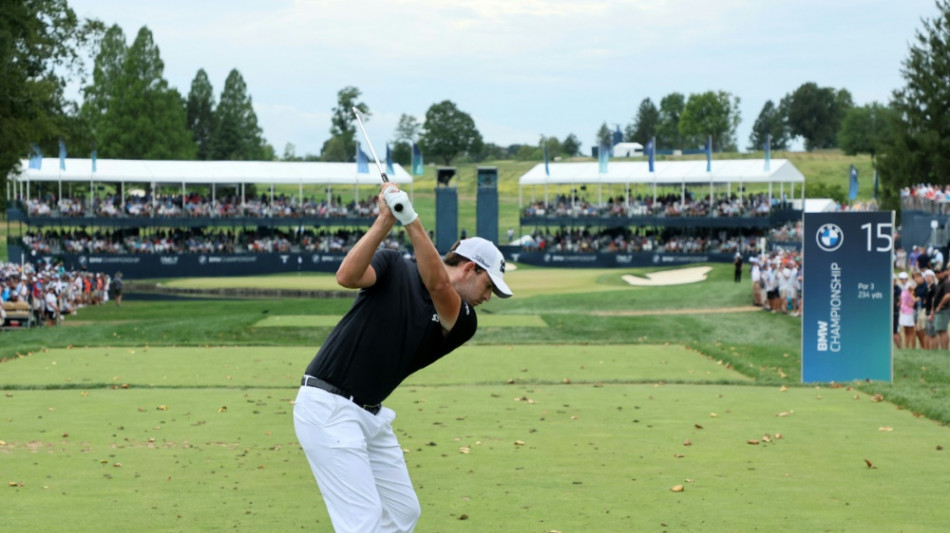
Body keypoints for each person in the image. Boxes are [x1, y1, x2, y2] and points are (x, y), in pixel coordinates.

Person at [293, 183, 513, 533]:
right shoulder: (394, 265)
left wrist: (410, 219)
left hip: (370, 415)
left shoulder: (464, 320)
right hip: (326, 407)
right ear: (470, 268)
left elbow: (439, 286)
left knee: (403, 512)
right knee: (362, 523)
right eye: (489, 286)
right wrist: (385, 220)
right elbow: (346, 276)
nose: (488, 297)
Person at [897, 272, 917, 348]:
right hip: (904, 311)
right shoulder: (903, 288)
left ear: (907, 279)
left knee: (911, 330)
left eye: (904, 279)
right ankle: (906, 346)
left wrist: (913, 303)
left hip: (909, 312)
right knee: (906, 331)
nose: (903, 280)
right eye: (901, 279)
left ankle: (912, 347)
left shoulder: (909, 287)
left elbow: (914, 296)